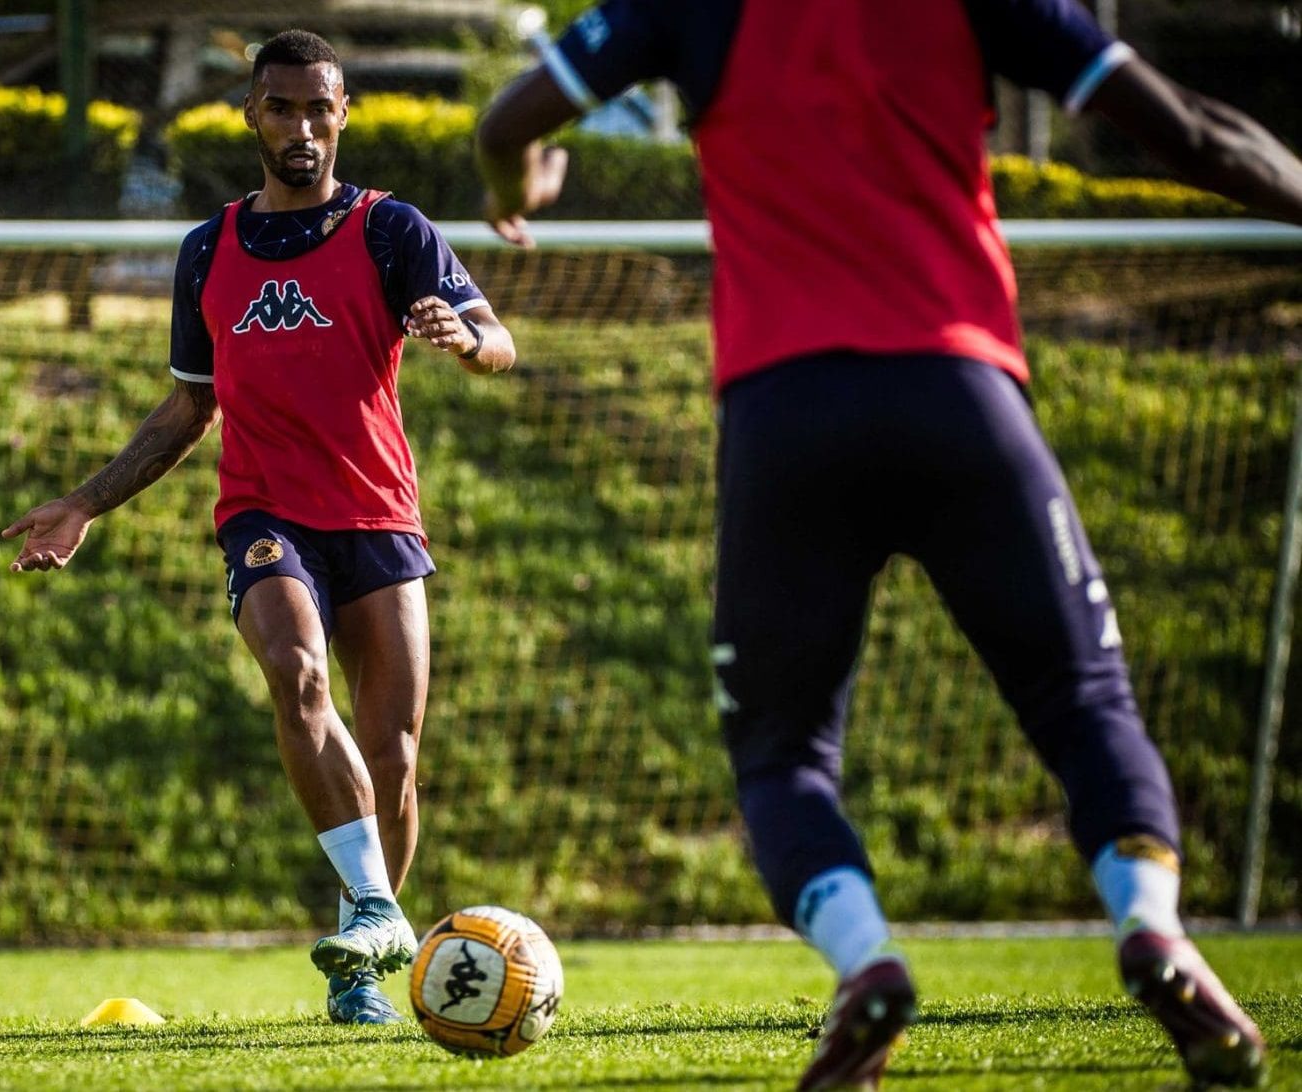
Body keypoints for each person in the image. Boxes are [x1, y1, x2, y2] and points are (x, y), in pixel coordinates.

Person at [475, 1, 1302, 1087]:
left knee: (783, 753)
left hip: (785, 417)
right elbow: (1193, 132)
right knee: (1084, 701)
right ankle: (1153, 928)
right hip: (961, 396)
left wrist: (515, 189)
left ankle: (868, 966)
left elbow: (507, 119)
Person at [3, 29, 515, 1025]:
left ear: (343, 115)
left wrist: (466, 340)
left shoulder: (390, 229)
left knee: (397, 756)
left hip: (379, 516)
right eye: (281, 107)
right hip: (266, 516)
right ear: (252, 115)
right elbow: (186, 410)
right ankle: (373, 908)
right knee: (298, 673)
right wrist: (83, 503)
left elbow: (498, 337)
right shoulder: (210, 251)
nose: (302, 126)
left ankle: (359, 967)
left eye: (320, 107)